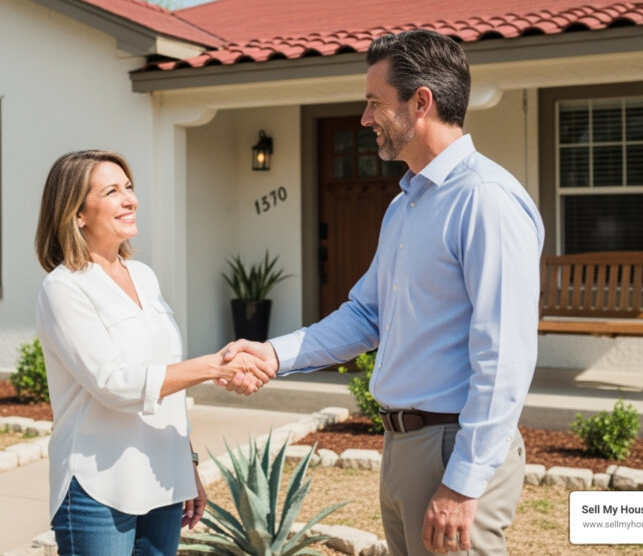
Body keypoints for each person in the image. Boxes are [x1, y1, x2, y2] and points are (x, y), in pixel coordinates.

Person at [222, 30, 544, 556]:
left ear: (421, 102)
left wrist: (462, 482)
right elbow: (366, 316)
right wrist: (272, 353)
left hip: (450, 448)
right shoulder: (406, 205)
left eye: (375, 103)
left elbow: (505, 355)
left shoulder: (486, 201)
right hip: (403, 448)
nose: (366, 119)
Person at [34, 149, 275, 556]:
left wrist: (188, 465)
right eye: (112, 191)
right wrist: (214, 365)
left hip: (162, 479)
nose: (131, 199)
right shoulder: (64, 288)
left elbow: (168, 389)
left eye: (129, 187)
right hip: (99, 486)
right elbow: (113, 385)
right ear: (77, 214)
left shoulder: (143, 276)